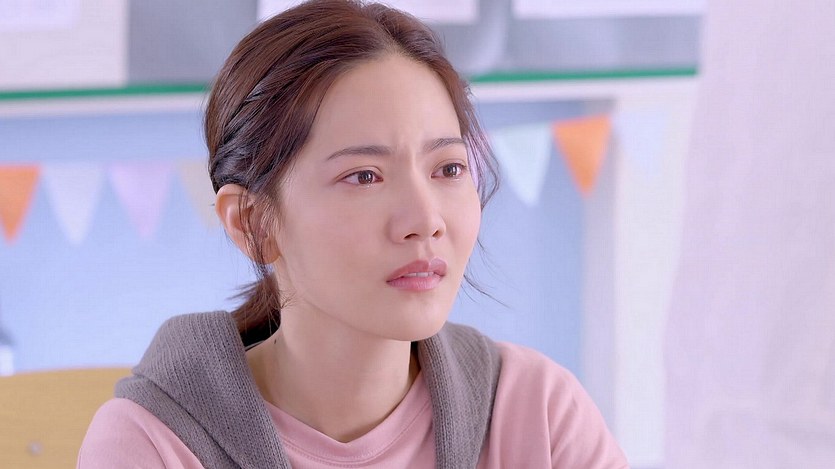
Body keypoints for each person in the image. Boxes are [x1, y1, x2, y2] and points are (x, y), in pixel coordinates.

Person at [78, 1, 628, 467]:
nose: (425, 219)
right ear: (252, 223)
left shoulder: (539, 414)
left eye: (448, 169)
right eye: (364, 176)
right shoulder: (152, 443)